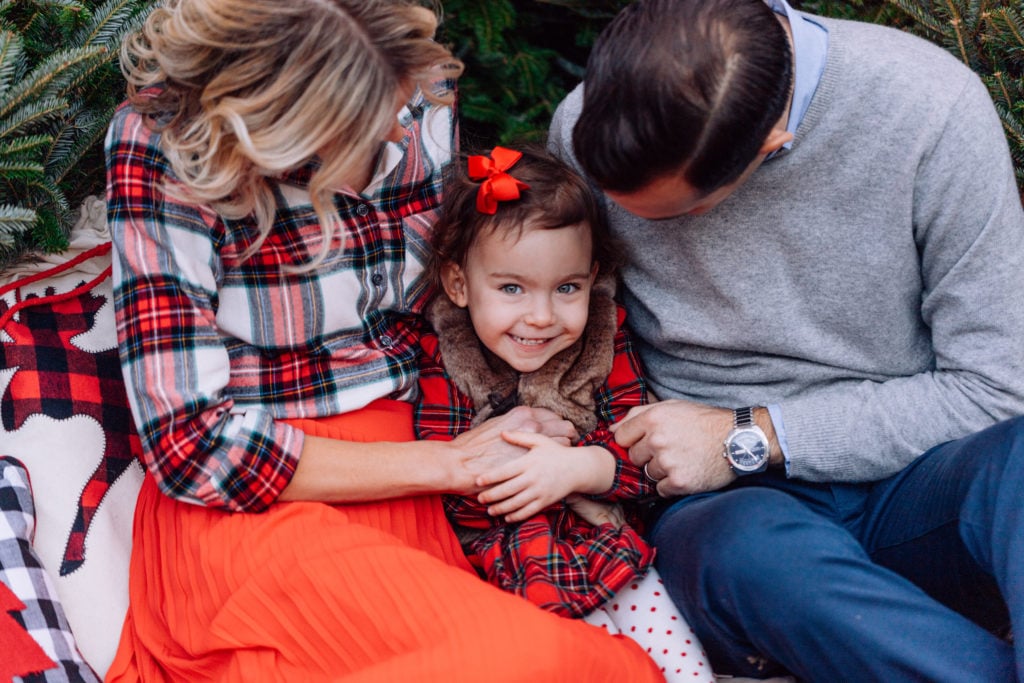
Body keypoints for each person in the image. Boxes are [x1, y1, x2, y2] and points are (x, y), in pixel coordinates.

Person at [103, 1, 665, 681]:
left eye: (401, 117)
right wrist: (450, 464)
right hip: (263, 492)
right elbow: (191, 444)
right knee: (550, 662)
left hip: (422, 459)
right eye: (365, 136)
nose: (396, 145)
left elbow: (465, 287)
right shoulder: (164, 141)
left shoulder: (418, 84)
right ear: (282, 119)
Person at [548, 0, 1024, 680]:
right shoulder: (584, 124)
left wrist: (751, 433)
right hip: (730, 518)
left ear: (771, 146)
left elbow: (996, 386)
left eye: (676, 216)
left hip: (917, 477)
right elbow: (563, 329)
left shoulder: (929, 107)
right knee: (748, 548)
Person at [414, 145, 715, 682]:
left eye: (567, 288)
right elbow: (440, 469)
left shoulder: (602, 339)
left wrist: (580, 469)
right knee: (582, 667)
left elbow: (641, 446)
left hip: (610, 550)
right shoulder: (445, 355)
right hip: (502, 570)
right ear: (459, 284)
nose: (542, 317)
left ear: (593, 275)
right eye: (511, 288)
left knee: (682, 668)